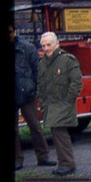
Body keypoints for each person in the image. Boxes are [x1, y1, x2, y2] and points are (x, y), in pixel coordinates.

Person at [36, 31, 82, 176]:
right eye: (43, 45)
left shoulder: (68, 60)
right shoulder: (42, 63)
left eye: (49, 44)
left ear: (57, 44)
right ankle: (64, 163)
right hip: (49, 105)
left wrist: (68, 100)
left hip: (63, 103)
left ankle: (67, 164)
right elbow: (41, 85)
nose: (46, 48)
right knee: (57, 134)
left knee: (60, 133)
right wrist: (42, 103)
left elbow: (76, 83)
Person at [12, 25, 53, 170]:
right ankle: (17, 159)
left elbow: (38, 70)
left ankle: (43, 156)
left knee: (35, 126)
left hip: (26, 93)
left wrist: (38, 89)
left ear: (14, 32)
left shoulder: (26, 48)